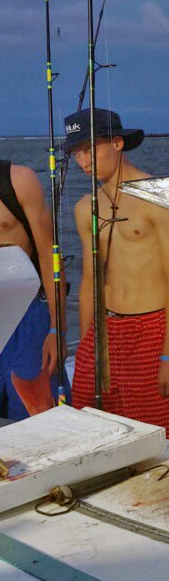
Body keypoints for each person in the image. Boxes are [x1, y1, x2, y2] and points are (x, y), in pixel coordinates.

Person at [66, 107, 169, 437]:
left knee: (161, 438)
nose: (83, 161)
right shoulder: (85, 208)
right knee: (96, 433)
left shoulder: (159, 198)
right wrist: (89, 348)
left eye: (90, 149)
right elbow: (89, 284)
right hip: (104, 331)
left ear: (117, 144)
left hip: (153, 330)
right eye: (76, 152)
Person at [0, 160, 67, 419]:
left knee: (39, 415)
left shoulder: (18, 180)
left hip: (25, 318)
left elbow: (50, 256)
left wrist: (57, 328)